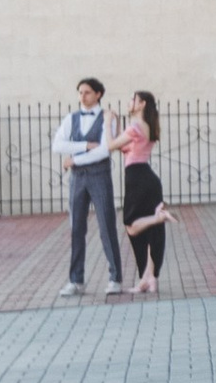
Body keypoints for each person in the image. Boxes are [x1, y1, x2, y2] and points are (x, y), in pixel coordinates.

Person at [54, 80, 126, 296]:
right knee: (76, 228)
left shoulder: (107, 117)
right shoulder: (71, 118)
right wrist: (84, 146)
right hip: (77, 179)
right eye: (80, 92)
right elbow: (57, 145)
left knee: (106, 226)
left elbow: (104, 150)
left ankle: (115, 278)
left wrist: (74, 159)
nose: (82, 96)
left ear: (98, 94)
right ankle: (76, 280)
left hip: (99, 177)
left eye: (87, 92)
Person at [118, 91, 170, 292]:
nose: (130, 102)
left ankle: (158, 218)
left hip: (137, 177)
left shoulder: (134, 126)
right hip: (147, 177)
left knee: (131, 224)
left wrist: (108, 124)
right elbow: (128, 148)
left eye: (133, 100)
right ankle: (149, 278)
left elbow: (110, 145)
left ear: (142, 104)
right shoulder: (148, 125)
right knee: (150, 232)